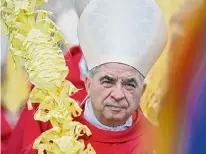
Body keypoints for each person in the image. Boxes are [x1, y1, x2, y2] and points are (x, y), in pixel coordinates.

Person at [6, 0, 167, 153]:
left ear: (142, 90)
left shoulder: (159, 144)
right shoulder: (53, 125)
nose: (118, 95)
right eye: (108, 81)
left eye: (129, 84)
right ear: (88, 84)